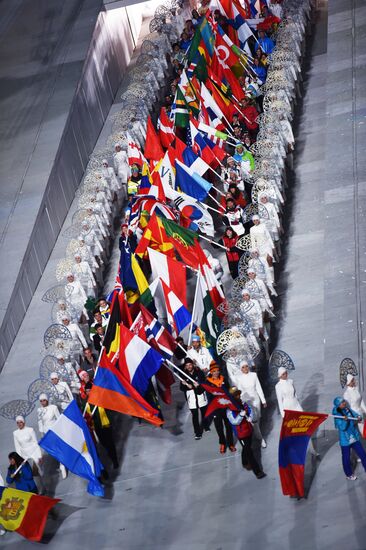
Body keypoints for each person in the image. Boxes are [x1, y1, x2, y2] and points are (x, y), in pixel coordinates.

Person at [276, 368, 319, 456]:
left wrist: (297, 402)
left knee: (305, 427)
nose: (285, 374)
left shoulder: (291, 381)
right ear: (280, 375)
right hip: (287, 408)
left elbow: (295, 394)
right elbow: (280, 401)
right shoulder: (278, 386)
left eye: (286, 373)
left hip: (296, 405)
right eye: (283, 374)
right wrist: (283, 415)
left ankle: (312, 449)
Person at [226, 388, 266, 479]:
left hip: (249, 430)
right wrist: (241, 415)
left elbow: (250, 411)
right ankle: (258, 471)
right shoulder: (229, 410)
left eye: (238, 394)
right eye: (236, 395)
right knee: (249, 451)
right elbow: (234, 422)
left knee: (246, 447)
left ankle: (244, 462)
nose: (238, 396)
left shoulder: (243, 404)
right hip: (241, 434)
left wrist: (250, 418)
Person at [332, 397, 366, 480]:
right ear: (338, 405)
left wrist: (358, 417)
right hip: (345, 441)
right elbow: (342, 428)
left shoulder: (347, 409)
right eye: (342, 403)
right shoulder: (337, 415)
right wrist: (345, 420)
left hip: (354, 437)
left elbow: (355, 414)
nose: (344, 403)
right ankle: (349, 474)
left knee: (362, 454)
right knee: (346, 458)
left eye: (343, 401)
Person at [235, 364, 267, 448]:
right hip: (247, 402)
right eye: (243, 367)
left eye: (246, 366)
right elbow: (240, 392)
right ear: (241, 369)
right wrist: (241, 403)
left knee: (258, 418)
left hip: (256, 400)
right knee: (254, 420)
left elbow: (259, 388)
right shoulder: (240, 378)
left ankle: (256, 433)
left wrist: (263, 400)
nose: (245, 368)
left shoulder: (254, 375)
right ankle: (260, 438)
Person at [206, 364, 235, 453]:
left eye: (217, 370)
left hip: (225, 406)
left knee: (228, 426)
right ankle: (222, 443)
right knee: (219, 427)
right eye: (214, 371)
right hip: (216, 407)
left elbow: (229, 390)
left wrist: (233, 391)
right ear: (211, 372)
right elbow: (206, 394)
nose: (216, 373)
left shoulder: (223, 379)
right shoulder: (208, 382)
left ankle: (230, 443)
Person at [37, 394, 67, 479]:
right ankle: (60, 463)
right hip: (47, 433)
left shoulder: (53, 407)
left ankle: (62, 465)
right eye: (41, 401)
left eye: (44, 400)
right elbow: (40, 422)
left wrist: (61, 430)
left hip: (55, 431)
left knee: (59, 448)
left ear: (47, 400)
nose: (43, 402)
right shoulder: (39, 410)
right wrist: (42, 434)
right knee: (53, 450)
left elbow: (59, 419)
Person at [180, 358, 208, 440]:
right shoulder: (183, 375)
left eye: (190, 364)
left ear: (193, 365)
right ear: (185, 367)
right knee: (195, 416)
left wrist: (198, 385)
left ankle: (206, 426)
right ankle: (197, 432)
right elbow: (181, 388)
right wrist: (185, 385)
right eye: (187, 365)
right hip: (191, 399)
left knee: (204, 413)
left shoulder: (199, 373)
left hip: (201, 397)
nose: (189, 366)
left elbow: (204, 384)